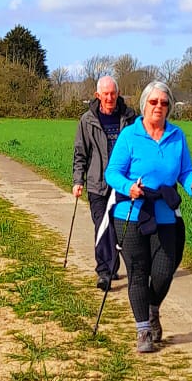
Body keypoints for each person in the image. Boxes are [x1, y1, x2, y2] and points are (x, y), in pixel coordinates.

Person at [103, 81, 192, 354]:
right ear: (144, 105)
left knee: (164, 270)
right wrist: (128, 188)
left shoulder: (176, 135)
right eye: (154, 102)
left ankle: (152, 307)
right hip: (132, 213)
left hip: (165, 213)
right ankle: (143, 330)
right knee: (138, 273)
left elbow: (185, 171)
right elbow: (112, 173)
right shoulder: (129, 136)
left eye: (164, 103)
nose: (159, 107)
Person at [73, 76, 137, 289]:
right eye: (105, 94)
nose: (109, 97)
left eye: (113, 93)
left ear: (118, 94)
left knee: (120, 227)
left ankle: (114, 265)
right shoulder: (87, 120)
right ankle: (105, 271)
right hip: (97, 183)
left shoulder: (130, 118)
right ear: (97, 95)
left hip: (123, 183)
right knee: (102, 226)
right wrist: (77, 180)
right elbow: (80, 153)